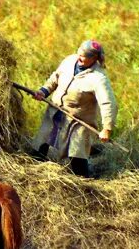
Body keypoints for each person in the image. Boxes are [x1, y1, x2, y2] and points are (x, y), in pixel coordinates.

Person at [31, 40, 117, 177]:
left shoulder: (98, 78)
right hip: (56, 111)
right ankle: (33, 173)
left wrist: (107, 128)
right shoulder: (70, 61)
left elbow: (108, 103)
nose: (79, 58)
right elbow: (55, 77)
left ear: (94, 58)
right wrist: (44, 91)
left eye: (84, 56)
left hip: (78, 121)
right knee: (41, 144)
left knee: (77, 156)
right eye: (79, 54)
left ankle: (86, 186)